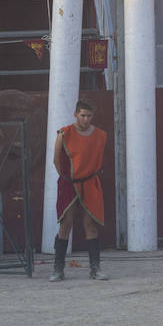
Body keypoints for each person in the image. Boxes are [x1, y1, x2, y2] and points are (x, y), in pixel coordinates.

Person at [50, 100, 109, 282]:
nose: (86, 119)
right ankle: (58, 269)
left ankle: (95, 269)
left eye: (89, 116)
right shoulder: (64, 133)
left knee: (90, 225)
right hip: (69, 183)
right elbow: (56, 160)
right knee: (65, 225)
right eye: (82, 115)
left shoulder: (100, 135)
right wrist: (67, 179)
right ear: (76, 114)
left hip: (90, 183)